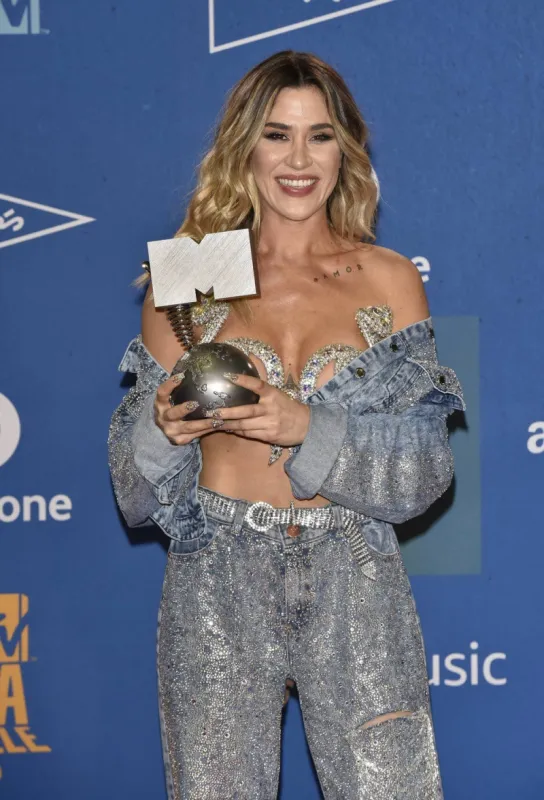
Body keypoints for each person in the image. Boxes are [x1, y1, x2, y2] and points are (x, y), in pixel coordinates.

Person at [108, 50, 465, 800]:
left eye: (320, 135)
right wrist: (160, 431)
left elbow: (426, 469)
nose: (299, 159)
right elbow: (134, 494)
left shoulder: (390, 277)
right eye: (277, 135)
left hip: (356, 576)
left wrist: (308, 425)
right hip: (216, 578)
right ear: (246, 147)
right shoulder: (191, 275)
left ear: (348, 150)